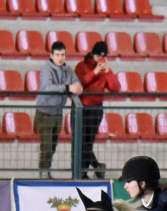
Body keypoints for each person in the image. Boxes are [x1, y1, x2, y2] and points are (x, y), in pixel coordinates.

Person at [34, 41, 83, 179]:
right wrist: (68, 88)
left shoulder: (68, 69)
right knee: (47, 145)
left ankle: (46, 169)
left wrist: (78, 87)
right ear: (52, 55)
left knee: (53, 144)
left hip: (57, 112)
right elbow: (47, 88)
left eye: (63, 55)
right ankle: (43, 171)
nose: (60, 58)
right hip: (45, 111)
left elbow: (76, 82)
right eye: (57, 55)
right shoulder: (46, 70)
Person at [75, 41, 120, 179]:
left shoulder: (105, 70)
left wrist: (107, 73)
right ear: (92, 55)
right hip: (81, 108)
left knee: (89, 141)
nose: (99, 60)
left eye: (103, 57)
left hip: (96, 109)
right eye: (97, 57)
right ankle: (94, 167)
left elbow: (115, 88)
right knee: (81, 140)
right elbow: (81, 82)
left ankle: (84, 170)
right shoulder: (81, 66)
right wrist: (95, 72)